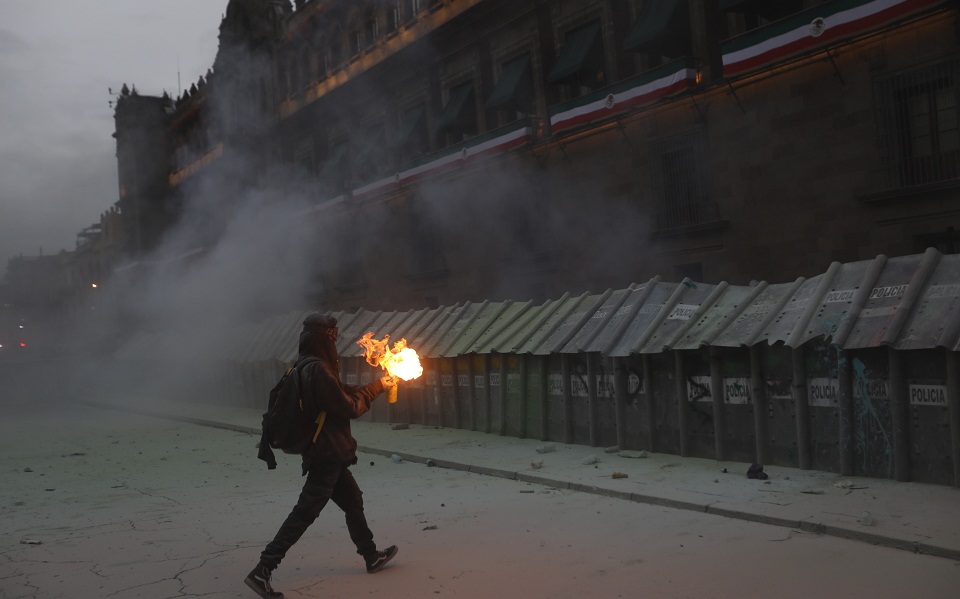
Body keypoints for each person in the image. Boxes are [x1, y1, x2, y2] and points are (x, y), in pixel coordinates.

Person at [245, 313, 399, 599]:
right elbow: (349, 406)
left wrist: (380, 383)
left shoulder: (305, 366)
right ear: (325, 338)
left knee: (353, 501)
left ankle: (370, 555)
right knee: (305, 512)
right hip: (326, 453)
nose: (336, 343)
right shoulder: (318, 370)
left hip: (329, 451)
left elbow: (339, 392)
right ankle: (262, 570)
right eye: (333, 337)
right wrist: (377, 388)